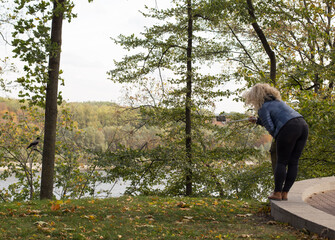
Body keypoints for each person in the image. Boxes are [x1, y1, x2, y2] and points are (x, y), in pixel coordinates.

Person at [243, 83, 308, 201]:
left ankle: (277, 193)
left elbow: (271, 128)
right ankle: (285, 193)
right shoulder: (279, 102)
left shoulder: (263, 108)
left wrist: (279, 139)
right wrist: (257, 121)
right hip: (303, 125)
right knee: (293, 162)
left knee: (282, 161)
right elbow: (280, 120)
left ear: (256, 97)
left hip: (288, 128)